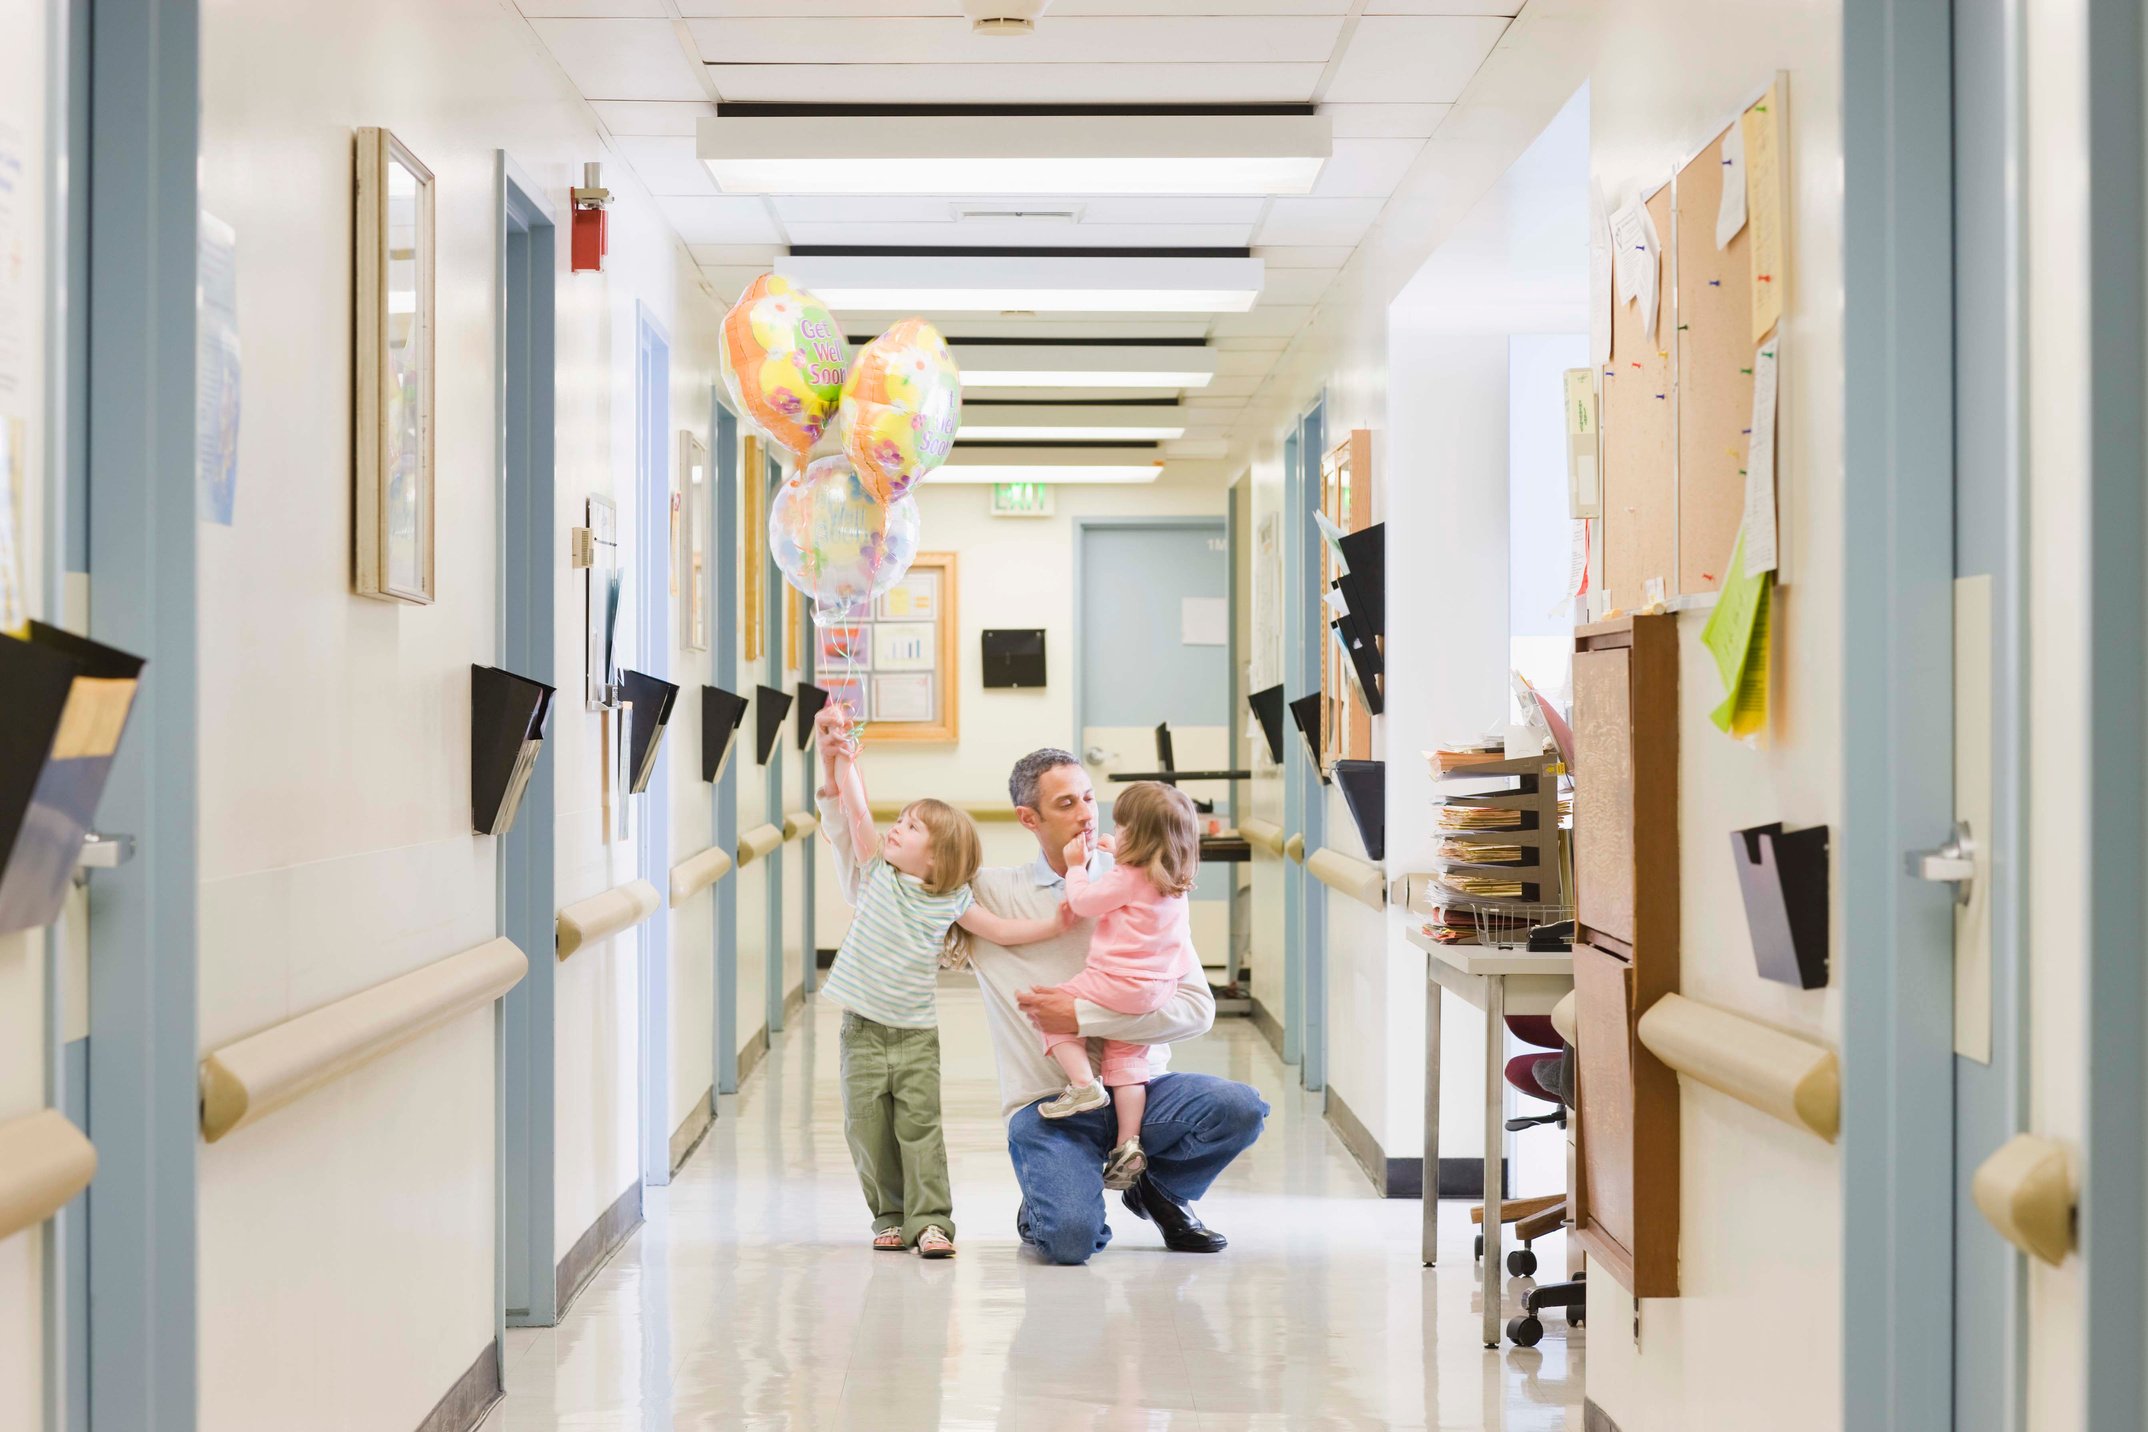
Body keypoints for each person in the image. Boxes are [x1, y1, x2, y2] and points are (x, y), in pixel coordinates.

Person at [816, 708, 1267, 1265]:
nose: (1085, 815)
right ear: (1029, 819)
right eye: (1065, 804)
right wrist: (835, 764)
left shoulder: (1148, 890)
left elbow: (1196, 1010)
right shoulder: (988, 895)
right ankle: (1049, 1202)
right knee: (1069, 1243)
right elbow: (873, 877)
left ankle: (1159, 1189)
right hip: (1048, 1104)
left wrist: (1083, 1019)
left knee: (1241, 1106)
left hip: (1140, 1090)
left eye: (1088, 798)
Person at [815, 708, 1068, 1259]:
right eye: (899, 821)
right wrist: (844, 759)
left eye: (908, 829)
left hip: (914, 1038)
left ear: (936, 858)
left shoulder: (950, 899)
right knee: (866, 1130)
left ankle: (931, 1222)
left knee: (920, 1132)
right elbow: (856, 810)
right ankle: (888, 1214)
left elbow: (1000, 929)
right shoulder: (876, 874)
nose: (894, 830)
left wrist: (1056, 922)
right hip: (860, 1032)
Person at [1032, 781, 1204, 1198]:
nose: (1115, 831)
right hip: (1156, 988)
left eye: (1122, 828)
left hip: (1116, 982)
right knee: (1128, 1060)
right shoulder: (1172, 880)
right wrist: (1115, 851)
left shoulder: (1127, 876)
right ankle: (1128, 1143)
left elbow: (1086, 902)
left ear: (1139, 838)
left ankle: (1083, 1086)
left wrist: (1077, 868)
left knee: (1053, 1012)